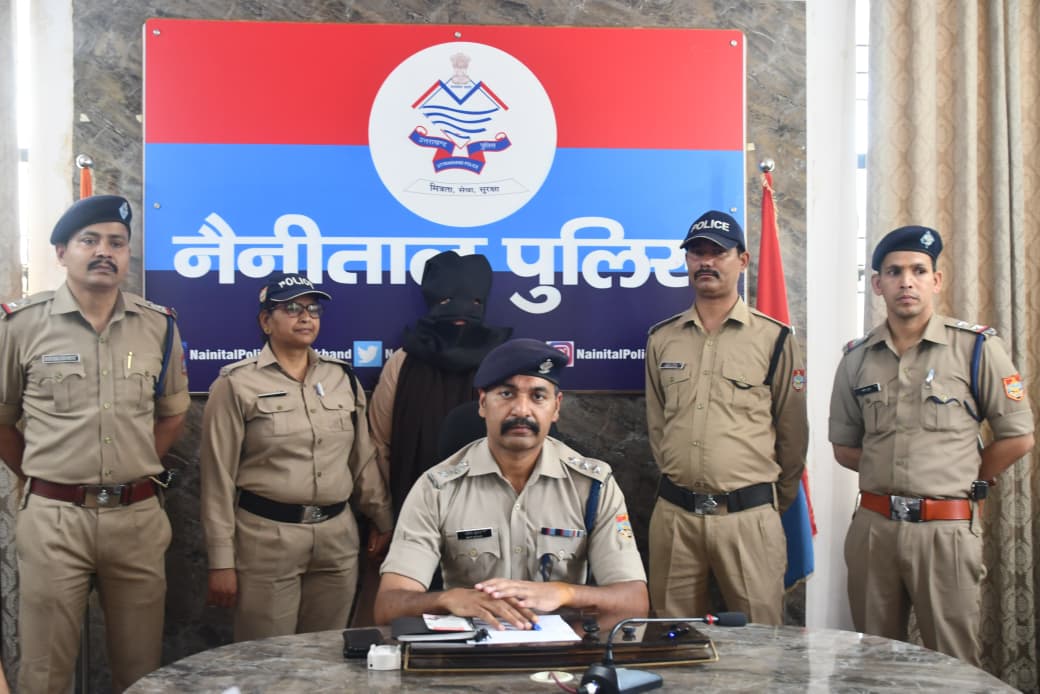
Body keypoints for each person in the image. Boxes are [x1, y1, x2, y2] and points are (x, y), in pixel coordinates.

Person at [0, 195, 190, 692]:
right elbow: (2, 421)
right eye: (90, 240)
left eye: (117, 243)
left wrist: (134, 461)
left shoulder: (159, 326)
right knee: (44, 671)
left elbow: (172, 415)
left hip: (137, 518)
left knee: (141, 671)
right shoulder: (20, 325)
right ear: (62, 252)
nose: (105, 251)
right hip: (55, 520)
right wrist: (43, 476)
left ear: (127, 255)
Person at [829, 225, 1034, 665]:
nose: (907, 281)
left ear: (936, 280)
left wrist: (965, 477)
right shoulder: (856, 358)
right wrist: (890, 468)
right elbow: (844, 447)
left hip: (945, 531)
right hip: (874, 529)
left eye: (919, 271)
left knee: (952, 660)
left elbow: (1018, 436)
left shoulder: (976, 348)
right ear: (877, 284)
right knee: (873, 659)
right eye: (894, 272)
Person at [373, 339, 648, 628]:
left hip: (563, 648)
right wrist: (447, 599)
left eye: (538, 396)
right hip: (471, 647)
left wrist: (564, 593)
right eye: (506, 394)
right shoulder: (436, 488)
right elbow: (388, 606)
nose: (521, 410)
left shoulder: (593, 486)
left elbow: (634, 602)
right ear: (483, 403)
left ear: (556, 407)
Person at [199, 273, 393, 641]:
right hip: (267, 538)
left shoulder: (341, 378)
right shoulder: (236, 384)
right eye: (291, 308)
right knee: (267, 656)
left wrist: (383, 520)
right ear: (265, 321)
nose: (305, 317)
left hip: (337, 537)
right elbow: (217, 478)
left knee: (326, 652)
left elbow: (361, 459)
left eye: (312, 309)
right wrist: (221, 560)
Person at [644, 210, 808, 624]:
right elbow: (658, 425)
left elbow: (792, 434)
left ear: (743, 260)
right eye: (697, 253)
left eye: (718, 253)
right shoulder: (662, 338)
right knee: (672, 637)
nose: (706, 262)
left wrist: (764, 501)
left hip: (747, 519)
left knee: (760, 641)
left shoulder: (773, 339)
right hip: (676, 518)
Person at [368, 250, 511, 517]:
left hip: (490, 512)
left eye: (474, 301)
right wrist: (383, 515)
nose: (461, 311)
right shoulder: (403, 362)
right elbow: (378, 442)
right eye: (447, 301)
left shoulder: (504, 363)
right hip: (413, 509)